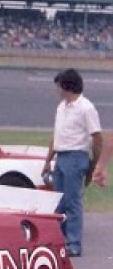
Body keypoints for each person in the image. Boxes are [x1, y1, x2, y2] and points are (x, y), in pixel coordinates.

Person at [43, 69, 104, 257]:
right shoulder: (61, 107)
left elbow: (97, 137)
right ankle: (60, 240)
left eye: (59, 85)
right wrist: (48, 160)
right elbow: (56, 136)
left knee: (72, 201)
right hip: (61, 156)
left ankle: (74, 243)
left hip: (76, 156)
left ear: (66, 85)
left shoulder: (86, 108)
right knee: (59, 202)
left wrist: (94, 164)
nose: (57, 89)